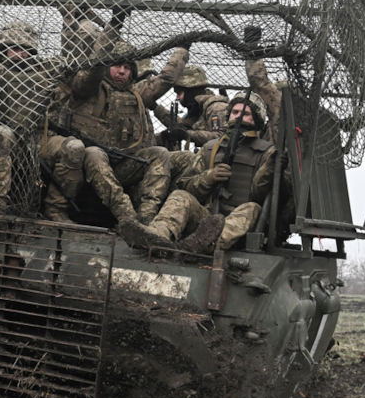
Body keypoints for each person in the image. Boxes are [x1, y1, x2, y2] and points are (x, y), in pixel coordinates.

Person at [41, 13, 188, 225]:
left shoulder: (137, 94)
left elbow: (166, 79)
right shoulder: (89, 89)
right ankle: (128, 218)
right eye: (117, 65)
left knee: (160, 154)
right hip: (82, 163)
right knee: (94, 153)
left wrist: (183, 48)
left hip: (119, 166)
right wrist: (114, 26)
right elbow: (95, 67)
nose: (122, 71)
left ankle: (146, 218)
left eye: (127, 68)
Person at [119, 91, 288, 255]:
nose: (238, 116)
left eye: (245, 114)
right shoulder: (210, 148)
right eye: (235, 112)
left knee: (252, 208)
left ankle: (209, 244)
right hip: (206, 221)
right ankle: (157, 235)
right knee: (180, 196)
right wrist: (208, 178)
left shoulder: (266, 152)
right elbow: (185, 185)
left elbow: (259, 196)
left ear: (256, 119)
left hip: (239, 226)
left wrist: (269, 168)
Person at [0, 20, 59, 213]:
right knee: (2, 133)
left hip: (37, 141)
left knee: (73, 147)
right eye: (13, 48)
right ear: (3, 49)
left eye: (24, 49)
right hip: (1, 140)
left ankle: (57, 210)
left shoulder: (45, 73)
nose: (18, 53)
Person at [155, 65, 229, 150]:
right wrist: (155, 107)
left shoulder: (216, 107)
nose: (177, 98)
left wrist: (187, 134)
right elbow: (180, 124)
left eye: (179, 93)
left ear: (190, 92)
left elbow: (220, 137)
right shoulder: (198, 108)